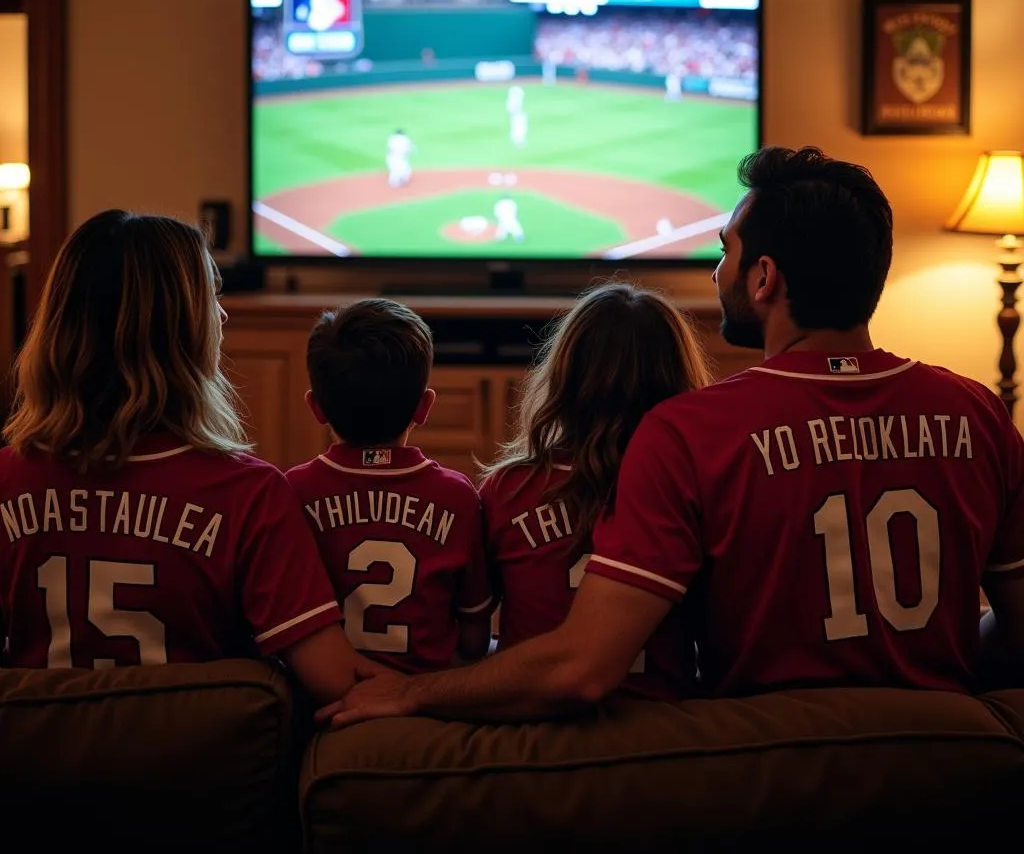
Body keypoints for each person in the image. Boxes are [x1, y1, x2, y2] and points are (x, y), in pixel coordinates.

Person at [318, 145, 1024, 728]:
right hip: (949, 761)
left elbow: (582, 667)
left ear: (764, 279)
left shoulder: (693, 431)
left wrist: (411, 693)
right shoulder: (980, 413)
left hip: (765, 763)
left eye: (725, 253)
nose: (718, 272)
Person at [0, 210, 362, 706]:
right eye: (211, 298)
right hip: (198, 765)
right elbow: (334, 678)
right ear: (180, 330)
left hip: (38, 762)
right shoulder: (247, 492)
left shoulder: (7, 479)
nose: (224, 315)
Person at [479, 281, 713, 699]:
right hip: (658, 719)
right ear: (678, 378)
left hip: (537, 722)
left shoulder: (507, 490)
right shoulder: (692, 489)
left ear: (566, 375)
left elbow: (470, 637)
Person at [286, 298, 493, 674]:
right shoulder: (458, 496)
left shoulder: (292, 491)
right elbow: (475, 638)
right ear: (425, 406)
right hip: (428, 704)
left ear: (315, 407)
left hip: (322, 696)